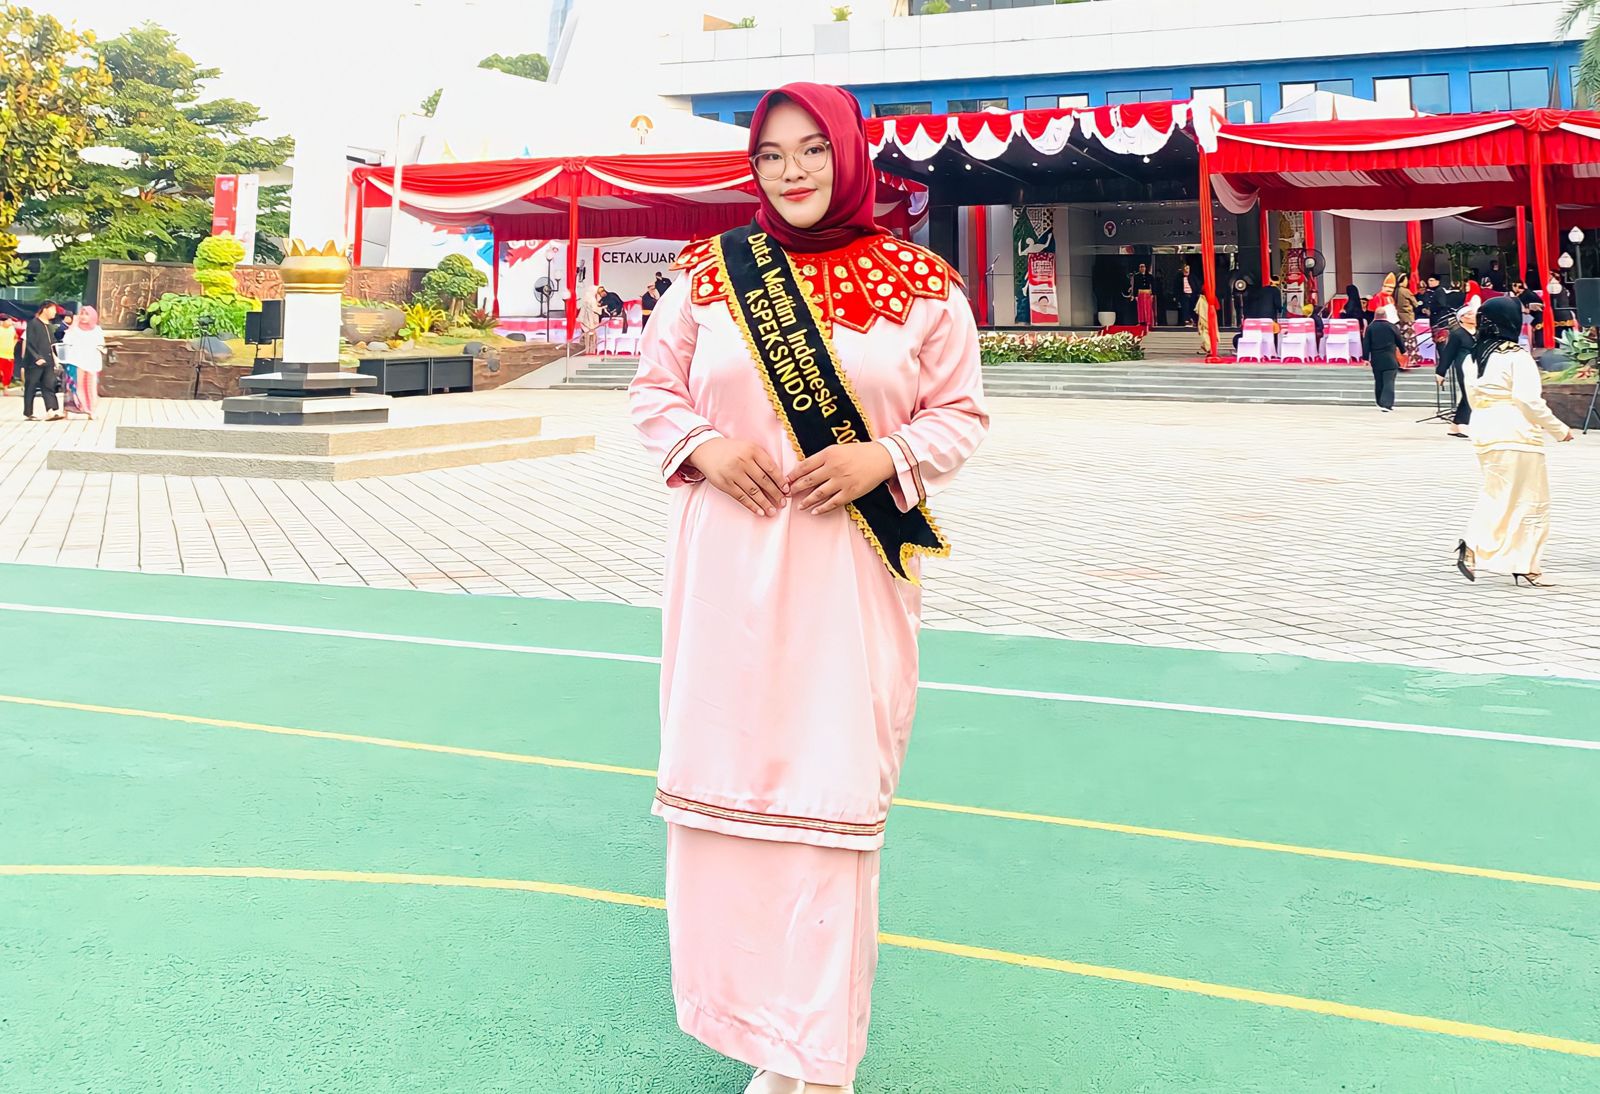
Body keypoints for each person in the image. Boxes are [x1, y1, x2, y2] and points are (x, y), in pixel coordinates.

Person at [628, 81, 989, 1094]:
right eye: (771, 155)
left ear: (849, 155)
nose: (791, 172)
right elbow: (652, 391)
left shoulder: (921, 284)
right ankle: (763, 1044)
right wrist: (703, 445)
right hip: (726, 579)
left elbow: (961, 411)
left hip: (845, 582)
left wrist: (888, 457)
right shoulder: (708, 277)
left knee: (829, 806)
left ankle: (817, 1061)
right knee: (725, 802)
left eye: (812, 150)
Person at [1455, 296, 1575, 587]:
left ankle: (1477, 544)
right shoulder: (1516, 356)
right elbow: (1527, 400)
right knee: (1532, 501)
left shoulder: (1473, 357)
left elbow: (1472, 399)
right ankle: (1524, 563)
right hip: (1517, 433)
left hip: (1485, 431)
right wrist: (1558, 429)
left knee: (1496, 493)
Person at [1435, 297, 1477, 439]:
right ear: (1462, 318)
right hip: (1463, 365)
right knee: (1468, 393)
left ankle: (1455, 425)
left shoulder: (1479, 332)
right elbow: (1448, 353)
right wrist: (1441, 372)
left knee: (1469, 394)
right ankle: (1464, 424)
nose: (1473, 316)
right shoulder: (1457, 334)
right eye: (1470, 314)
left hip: (1476, 365)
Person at [60, 304, 106, 419]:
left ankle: (91, 411)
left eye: (87, 314)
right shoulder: (74, 329)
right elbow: (66, 342)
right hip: (76, 362)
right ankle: (67, 410)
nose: (84, 316)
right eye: (82, 314)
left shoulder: (97, 330)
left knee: (90, 388)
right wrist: (72, 327)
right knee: (73, 387)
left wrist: (101, 349)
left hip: (92, 363)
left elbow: (101, 344)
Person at [22, 301, 64, 421]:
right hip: (34, 362)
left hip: (49, 360)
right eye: (53, 309)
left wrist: (55, 358)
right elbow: (30, 343)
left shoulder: (50, 326)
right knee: (31, 386)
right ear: (45, 309)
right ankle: (28, 412)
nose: (54, 312)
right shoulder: (33, 323)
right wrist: (37, 357)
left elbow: (52, 344)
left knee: (49, 385)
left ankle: (51, 411)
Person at [1363, 301, 1404, 411]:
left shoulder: (1370, 328)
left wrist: (1366, 358)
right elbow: (1399, 340)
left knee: (1379, 381)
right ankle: (1387, 404)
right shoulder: (1392, 327)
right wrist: (1403, 351)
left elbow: (1366, 343)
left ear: (1375, 316)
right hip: (1390, 358)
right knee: (1389, 381)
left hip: (1376, 359)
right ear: (1385, 315)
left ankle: (1379, 401)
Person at [1391, 271, 1419, 361]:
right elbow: (1415, 303)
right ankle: (1411, 359)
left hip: (1398, 317)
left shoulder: (1395, 291)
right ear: (1402, 281)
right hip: (1407, 317)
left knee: (1401, 339)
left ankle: (1400, 359)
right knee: (1410, 339)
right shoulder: (1405, 291)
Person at [1173, 261, 1199, 327]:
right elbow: (1176, 287)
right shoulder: (1179, 277)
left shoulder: (1193, 277)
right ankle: (1186, 321)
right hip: (1184, 295)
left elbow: (1197, 286)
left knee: (1192, 308)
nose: (1186, 270)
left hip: (1192, 295)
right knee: (1185, 308)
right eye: (1185, 269)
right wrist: (1176, 296)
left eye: (1188, 268)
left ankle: (1193, 320)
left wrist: (1197, 293)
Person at [1130, 262, 1156, 328]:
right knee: (1140, 308)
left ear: (1145, 268)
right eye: (1140, 267)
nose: (1142, 268)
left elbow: (1153, 285)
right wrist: (1135, 295)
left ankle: (1149, 322)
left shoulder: (1150, 276)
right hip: (1140, 294)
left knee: (1148, 308)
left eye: (1143, 267)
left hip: (1148, 294)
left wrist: (1153, 294)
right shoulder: (1136, 276)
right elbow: (1135, 286)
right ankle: (1141, 322)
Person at [579, 284, 601, 355]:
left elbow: (597, 312)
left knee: (590, 338)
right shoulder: (589, 301)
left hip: (590, 322)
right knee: (590, 338)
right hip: (589, 322)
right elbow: (595, 310)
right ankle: (589, 351)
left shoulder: (590, 301)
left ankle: (590, 351)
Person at [0, 316, 18, 392]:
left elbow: (16, 337)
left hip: (9, 355)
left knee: (8, 373)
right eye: (8, 321)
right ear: (2, 321)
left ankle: (5, 388)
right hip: (0, 354)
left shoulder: (12, 329)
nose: (10, 322)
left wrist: (13, 345)